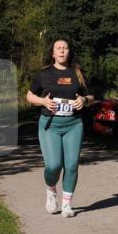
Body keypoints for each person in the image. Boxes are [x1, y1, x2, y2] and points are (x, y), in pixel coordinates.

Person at [26, 38, 95, 217]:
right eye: (58, 48)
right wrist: (43, 101)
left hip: (74, 124)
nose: (62, 51)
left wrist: (84, 100)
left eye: (65, 48)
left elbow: (91, 97)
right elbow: (29, 96)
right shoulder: (44, 74)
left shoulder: (78, 73)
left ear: (69, 52)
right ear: (53, 53)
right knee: (54, 165)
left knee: (71, 165)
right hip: (50, 125)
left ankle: (66, 205)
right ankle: (51, 190)